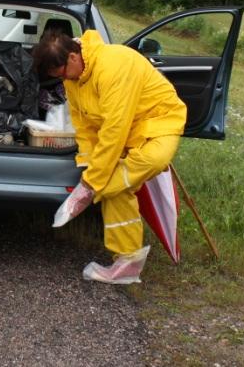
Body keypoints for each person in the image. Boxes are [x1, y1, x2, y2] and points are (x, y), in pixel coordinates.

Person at [32, 29, 186, 284]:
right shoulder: (73, 79)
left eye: (60, 74)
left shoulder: (115, 65)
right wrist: (88, 165)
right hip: (124, 135)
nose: (62, 81)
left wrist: (90, 184)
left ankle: (127, 261)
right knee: (113, 189)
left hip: (158, 124)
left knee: (145, 164)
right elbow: (84, 126)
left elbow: (115, 129)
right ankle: (127, 262)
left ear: (72, 57)